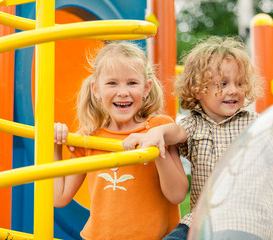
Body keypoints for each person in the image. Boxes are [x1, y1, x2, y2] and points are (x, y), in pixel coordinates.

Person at [122, 36, 262, 239]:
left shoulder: (254, 123)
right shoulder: (194, 124)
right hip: (201, 220)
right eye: (222, 84)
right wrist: (156, 133)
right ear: (198, 89)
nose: (233, 90)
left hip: (245, 220)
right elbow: (174, 132)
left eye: (240, 83)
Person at [54, 41, 188, 240]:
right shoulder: (90, 136)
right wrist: (55, 147)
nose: (123, 92)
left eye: (132, 83)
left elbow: (177, 195)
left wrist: (156, 143)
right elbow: (60, 197)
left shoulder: (158, 128)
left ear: (146, 88)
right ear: (96, 89)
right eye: (112, 83)